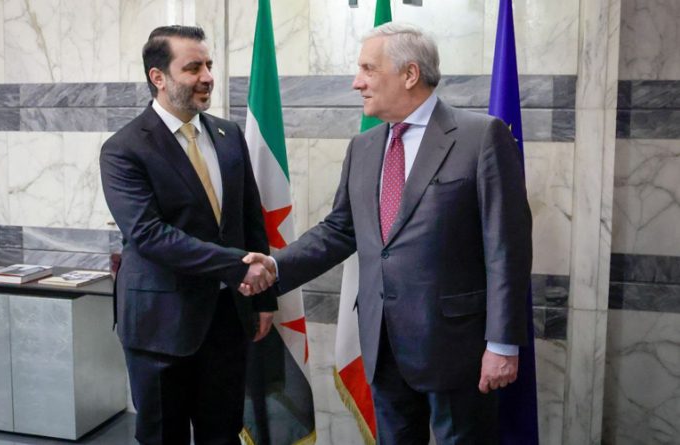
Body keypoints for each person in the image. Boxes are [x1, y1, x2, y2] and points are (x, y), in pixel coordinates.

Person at [243, 22, 532, 444]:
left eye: (368, 69)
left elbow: (507, 247)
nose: (357, 82)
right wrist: (274, 265)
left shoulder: (480, 137)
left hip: (457, 348)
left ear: (410, 74)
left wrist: (502, 344)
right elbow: (339, 230)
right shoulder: (363, 147)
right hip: (382, 344)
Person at [100, 25, 277, 445]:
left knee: (223, 433)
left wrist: (264, 299)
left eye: (209, 65)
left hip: (227, 319)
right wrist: (238, 266)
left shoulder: (229, 134)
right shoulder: (124, 148)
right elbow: (149, 235)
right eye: (193, 67)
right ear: (158, 77)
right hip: (160, 325)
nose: (208, 77)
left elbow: (250, 218)